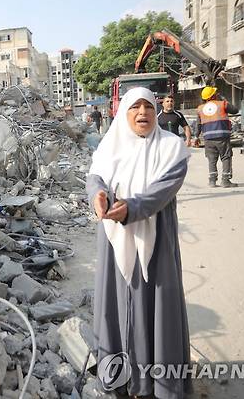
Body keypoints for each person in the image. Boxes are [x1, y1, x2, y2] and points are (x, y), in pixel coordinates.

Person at [87, 87, 191, 399]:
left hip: (155, 241)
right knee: (115, 308)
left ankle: (159, 387)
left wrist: (132, 208)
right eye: (135, 107)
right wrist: (97, 195)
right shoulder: (110, 147)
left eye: (148, 106)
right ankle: (120, 381)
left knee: (158, 309)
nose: (142, 113)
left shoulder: (172, 148)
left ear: (157, 111)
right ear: (124, 113)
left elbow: (164, 189)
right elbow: (95, 178)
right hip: (114, 243)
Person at [195, 86, 239, 188]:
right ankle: (225, 181)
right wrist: (223, 100)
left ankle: (212, 181)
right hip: (222, 136)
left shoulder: (200, 108)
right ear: (214, 95)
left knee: (211, 159)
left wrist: (196, 137)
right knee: (226, 157)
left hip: (208, 138)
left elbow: (198, 124)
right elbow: (235, 110)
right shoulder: (222, 104)